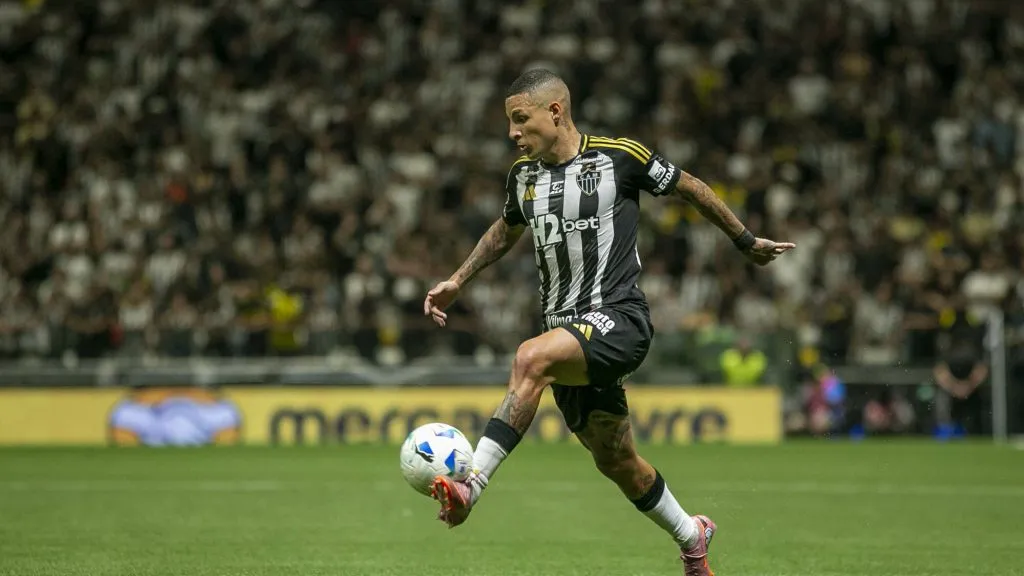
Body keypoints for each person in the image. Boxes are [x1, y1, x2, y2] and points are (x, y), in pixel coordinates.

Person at [422, 69, 795, 576]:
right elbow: (506, 229)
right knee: (617, 462)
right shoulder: (522, 176)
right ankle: (692, 537)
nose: (512, 133)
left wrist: (746, 241)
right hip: (569, 333)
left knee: (530, 357)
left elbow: (691, 188)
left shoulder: (619, 156)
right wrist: (458, 279)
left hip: (620, 319)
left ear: (555, 112)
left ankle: (472, 486)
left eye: (520, 119)